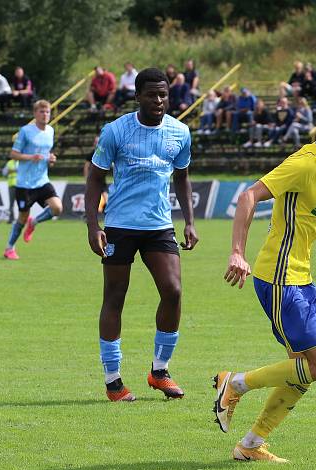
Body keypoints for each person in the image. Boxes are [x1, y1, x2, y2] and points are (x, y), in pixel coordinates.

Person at [213, 96, 316, 463]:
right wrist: (237, 251)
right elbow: (248, 196)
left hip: (301, 278)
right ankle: (234, 383)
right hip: (278, 279)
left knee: (301, 372)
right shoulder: (302, 163)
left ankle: (250, 445)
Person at [85, 68, 198, 402]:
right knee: (115, 296)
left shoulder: (180, 132)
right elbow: (95, 179)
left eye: (164, 94)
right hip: (120, 225)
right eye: (152, 94)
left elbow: (182, 177)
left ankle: (159, 371)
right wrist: (93, 226)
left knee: (173, 291)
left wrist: (190, 221)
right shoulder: (116, 131)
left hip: (159, 225)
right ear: (138, 96)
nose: (159, 100)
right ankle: (113, 381)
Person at [3, 100, 61, 260]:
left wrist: (51, 159)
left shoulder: (50, 131)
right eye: (41, 112)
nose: (45, 115)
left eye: (47, 112)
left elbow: (47, 153)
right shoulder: (25, 131)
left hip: (42, 181)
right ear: (35, 114)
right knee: (22, 217)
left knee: (57, 208)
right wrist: (30, 157)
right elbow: (13, 154)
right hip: (24, 184)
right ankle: (9, 248)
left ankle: (33, 223)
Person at [1, 158, 18, 224]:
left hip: (20, 185)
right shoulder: (9, 163)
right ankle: (11, 219)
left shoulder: (21, 162)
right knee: (11, 204)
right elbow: (4, 173)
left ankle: (22, 219)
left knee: (22, 204)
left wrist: (12, 170)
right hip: (11, 185)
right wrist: (10, 171)